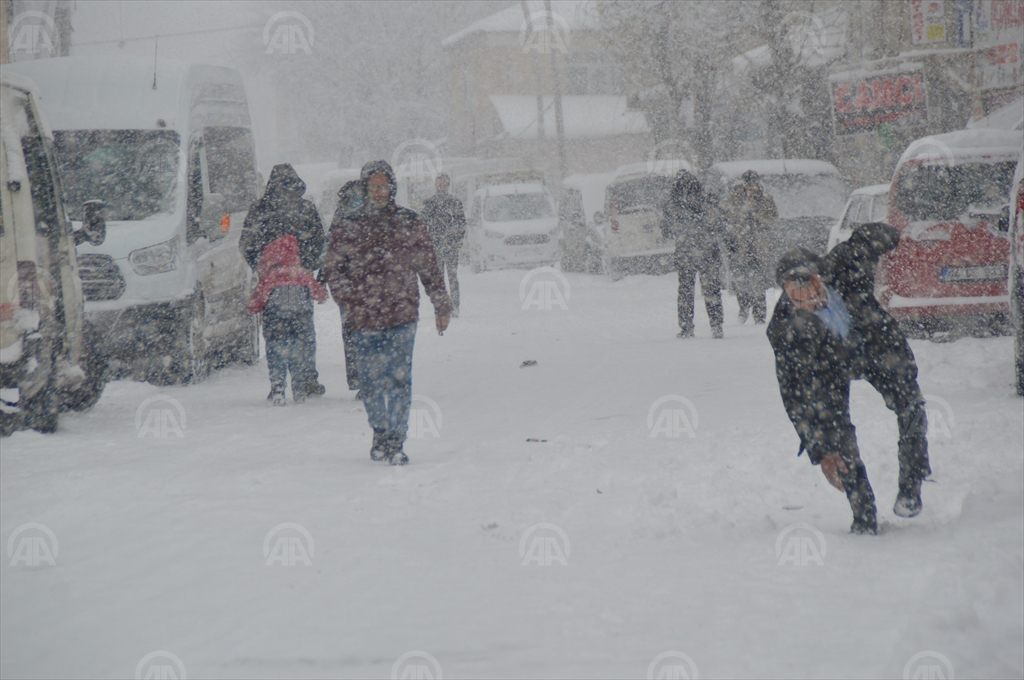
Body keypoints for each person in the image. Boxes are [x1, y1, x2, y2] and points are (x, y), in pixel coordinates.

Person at [767, 223, 931, 535]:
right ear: (786, 294)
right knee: (837, 437)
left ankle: (911, 483)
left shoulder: (843, 264)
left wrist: (889, 236)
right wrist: (821, 451)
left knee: (910, 407)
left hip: (878, 346)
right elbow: (794, 397)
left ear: (821, 275)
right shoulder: (784, 329)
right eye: (795, 293)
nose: (806, 298)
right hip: (830, 368)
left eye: (809, 285)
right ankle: (864, 516)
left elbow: (870, 237)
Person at [323, 161, 453, 466]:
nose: (380, 192)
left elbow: (429, 266)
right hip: (363, 318)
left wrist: (441, 303)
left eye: (384, 186)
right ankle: (379, 431)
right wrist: (349, 301)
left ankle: (397, 439)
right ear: (365, 189)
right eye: (374, 187)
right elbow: (333, 268)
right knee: (369, 382)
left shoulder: (409, 222)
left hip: (401, 314)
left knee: (398, 379)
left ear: (392, 188)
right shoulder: (348, 225)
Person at [240, 164, 327, 399]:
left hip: (271, 287)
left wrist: (262, 266)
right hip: (300, 284)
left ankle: (277, 382)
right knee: (303, 335)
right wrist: (305, 266)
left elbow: (247, 243)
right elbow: (320, 241)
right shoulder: (306, 209)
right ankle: (304, 380)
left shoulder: (259, 210)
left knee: (275, 338)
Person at [246, 234, 328, 405]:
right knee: (299, 353)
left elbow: (258, 299)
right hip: (301, 320)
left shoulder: (269, 276)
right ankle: (299, 387)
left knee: (276, 352)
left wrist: (252, 307)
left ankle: (277, 386)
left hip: (275, 320)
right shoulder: (302, 274)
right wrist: (320, 296)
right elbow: (318, 292)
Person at [661, 170, 725, 339]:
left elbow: (666, 230)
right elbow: (719, 223)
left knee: (685, 291)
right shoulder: (708, 200)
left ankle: (686, 327)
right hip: (708, 252)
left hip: (686, 252)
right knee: (712, 289)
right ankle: (716, 325)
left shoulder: (673, 205)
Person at [720, 170, 777, 324]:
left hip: (759, 247)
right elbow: (725, 218)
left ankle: (759, 314)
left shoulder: (766, 200)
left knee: (759, 282)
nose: (751, 187)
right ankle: (744, 307)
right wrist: (742, 213)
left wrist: (758, 217)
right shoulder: (733, 198)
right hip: (739, 247)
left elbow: (772, 221)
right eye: (748, 184)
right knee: (741, 280)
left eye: (753, 183)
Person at [327, 180, 366, 394]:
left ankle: (356, 376)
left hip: (347, 281)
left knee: (350, 330)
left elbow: (331, 247)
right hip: (372, 281)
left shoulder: (342, 213)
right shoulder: (375, 210)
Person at [420, 173, 466, 317]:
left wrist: (456, 241)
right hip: (435, 247)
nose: (442, 186)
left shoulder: (455, 202)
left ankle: (455, 306)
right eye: (439, 183)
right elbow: (423, 225)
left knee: (452, 277)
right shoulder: (429, 203)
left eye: (444, 184)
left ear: (448, 185)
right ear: (436, 185)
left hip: (450, 246)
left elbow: (461, 223)